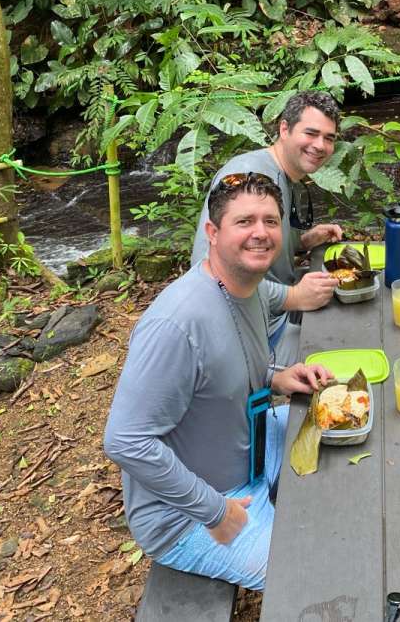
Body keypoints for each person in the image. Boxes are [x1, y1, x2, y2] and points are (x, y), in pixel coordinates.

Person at [104, 172, 333, 589]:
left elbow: (219, 371)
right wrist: (214, 511)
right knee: (311, 582)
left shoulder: (252, 288)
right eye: (244, 222)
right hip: (193, 515)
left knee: (335, 427)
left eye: (270, 220)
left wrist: (278, 377)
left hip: (252, 453)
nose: (260, 233)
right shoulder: (176, 323)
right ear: (212, 232)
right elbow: (125, 441)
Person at [190, 90, 345, 364]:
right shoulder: (251, 177)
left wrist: (303, 240)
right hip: (251, 333)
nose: (320, 145)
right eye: (311, 133)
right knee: (343, 348)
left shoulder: (279, 174)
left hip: (272, 310)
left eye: (328, 138)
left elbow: (255, 242)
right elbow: (211, 275)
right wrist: (294, 296)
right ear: (284, 128)